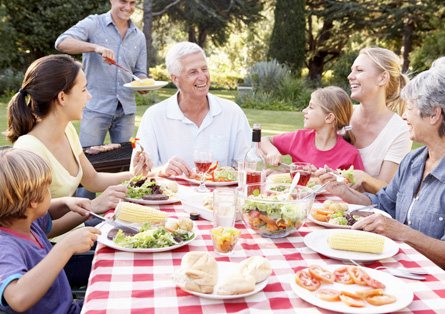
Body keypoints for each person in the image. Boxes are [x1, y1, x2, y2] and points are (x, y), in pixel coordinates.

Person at [7, 54, 152, 238]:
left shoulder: (67, 130)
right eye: (83, 90)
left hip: (79, 235)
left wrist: (133, 175)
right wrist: (95, 206)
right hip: (55, 252)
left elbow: (93, 180)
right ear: (62, 98)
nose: (89, 96)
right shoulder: (29, 150)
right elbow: (34, 229)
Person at [318, 61, 445, 268]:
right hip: (397, 267)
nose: (404, 116)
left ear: (434, 115)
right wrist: (344, 192)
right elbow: (384, 204)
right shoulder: (412, 161)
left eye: (410, 109)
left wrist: (401, 232)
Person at [0, 148, 101, 313]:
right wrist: (65, 248)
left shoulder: (26, 222)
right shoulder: (5, 247)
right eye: (47, 189)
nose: (50, 194)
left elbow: (48, 210)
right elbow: (18, 298)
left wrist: (66, 203)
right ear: (33, 201)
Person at [133, 41, 251, 177]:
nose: (202, 77)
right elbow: (139, 174)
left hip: (219, 196)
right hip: (172, 197)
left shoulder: (232, 112)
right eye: (193, 72)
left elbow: (248, 165)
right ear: (175, 79)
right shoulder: (154, 117)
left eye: (204, 69)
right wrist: (162, 170)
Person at [55, 0, 148, 147]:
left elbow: (140, 72)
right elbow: (61, 42)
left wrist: (143, 83)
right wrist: (95, 47)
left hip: (126, 110)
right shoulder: (94, 23)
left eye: (132, 3)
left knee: (124, 160)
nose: (128, 7)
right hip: (95, 108)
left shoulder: (139, 37)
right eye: (123, 1)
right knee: (88, 158)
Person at [343, 47, 412, 193]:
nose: (350, 76)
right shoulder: (343, 115)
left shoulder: (400, 131)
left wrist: (364, 178)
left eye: (359, 70)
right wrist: (279, 148)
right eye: (352, 70)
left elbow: (386, 188)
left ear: (382, 78)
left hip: (368, 211)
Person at [261, 86, 365, 171]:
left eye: (311, 107)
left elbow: (358, 189)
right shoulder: (299, 138)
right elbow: (263, 140)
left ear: (329, 118)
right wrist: (272, 151)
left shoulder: (350, 154)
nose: (304, 110)